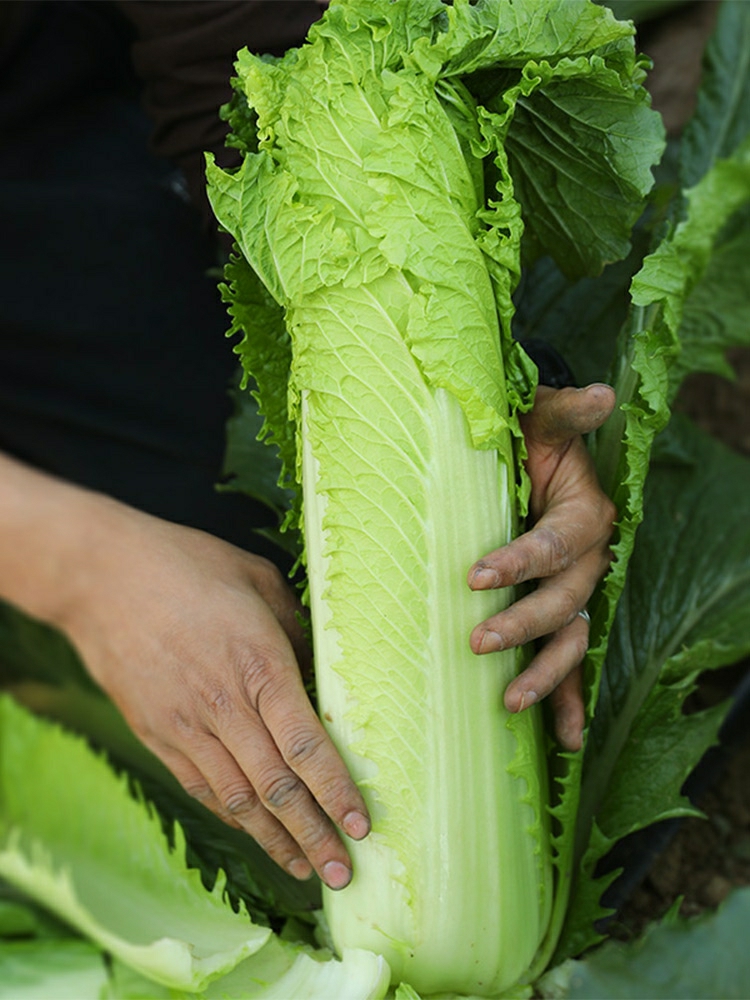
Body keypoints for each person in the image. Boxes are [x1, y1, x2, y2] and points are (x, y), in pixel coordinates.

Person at [0, 1, 615, 892]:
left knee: (264, 560)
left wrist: (473, 395)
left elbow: (244, 48)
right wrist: (84, 572)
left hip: (50, 120)